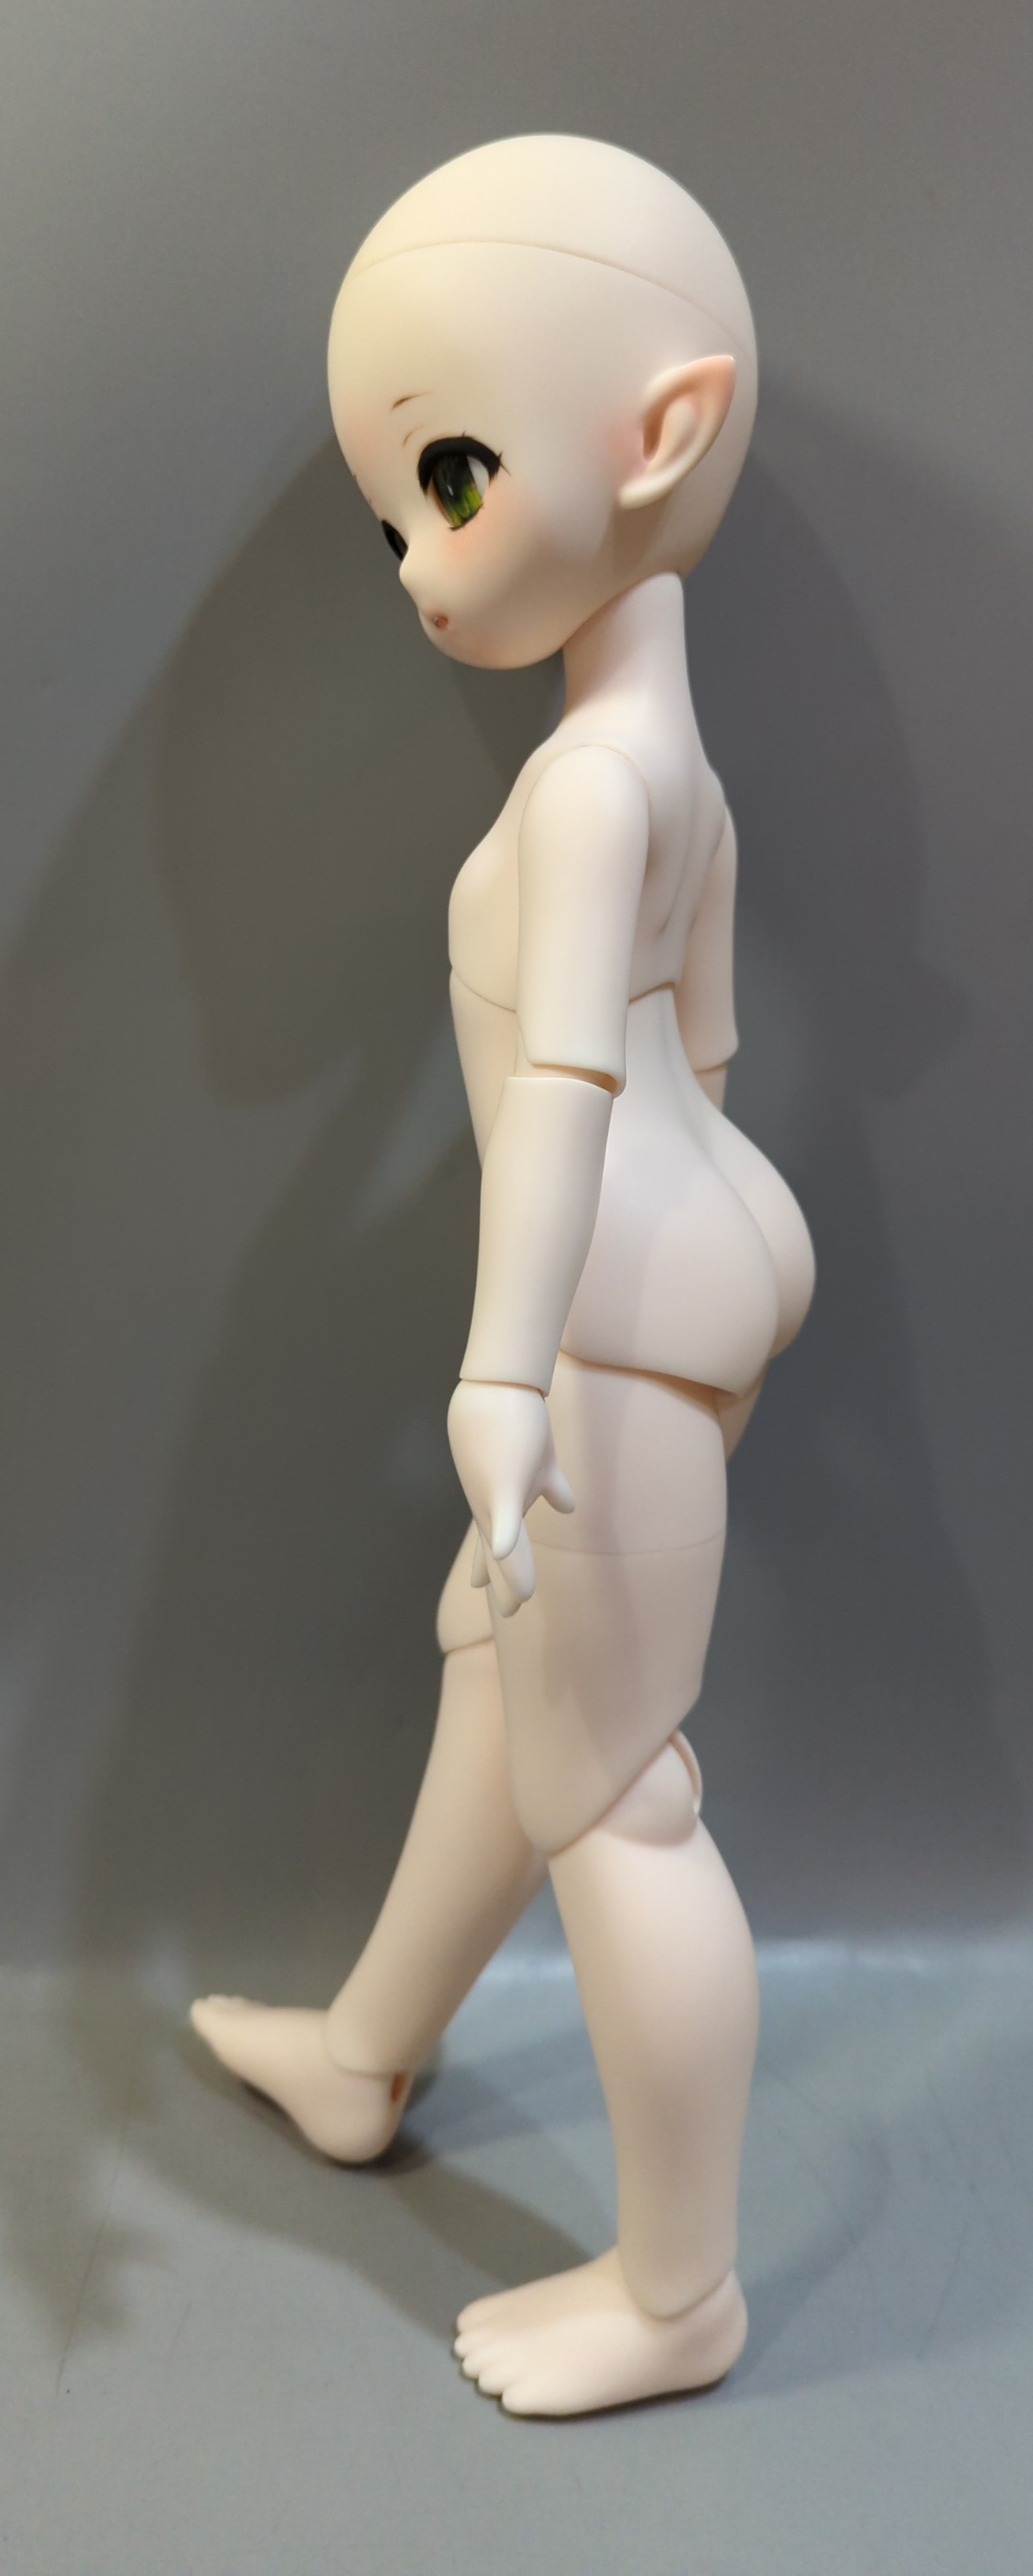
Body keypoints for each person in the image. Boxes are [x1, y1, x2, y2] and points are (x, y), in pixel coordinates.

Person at [191, 133, 814, 2416]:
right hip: (697, 1258)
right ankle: (368, 2057)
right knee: (513, 1689)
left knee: (618, 1797)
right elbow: (701, 1052)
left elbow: (562, 1091)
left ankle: (678, 2294)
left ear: (661, 435)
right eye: (399, 519)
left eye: (450, 478)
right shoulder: (671, 766)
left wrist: (507, 1368)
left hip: (607, 1310)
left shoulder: (584, 792)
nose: (422, 566)